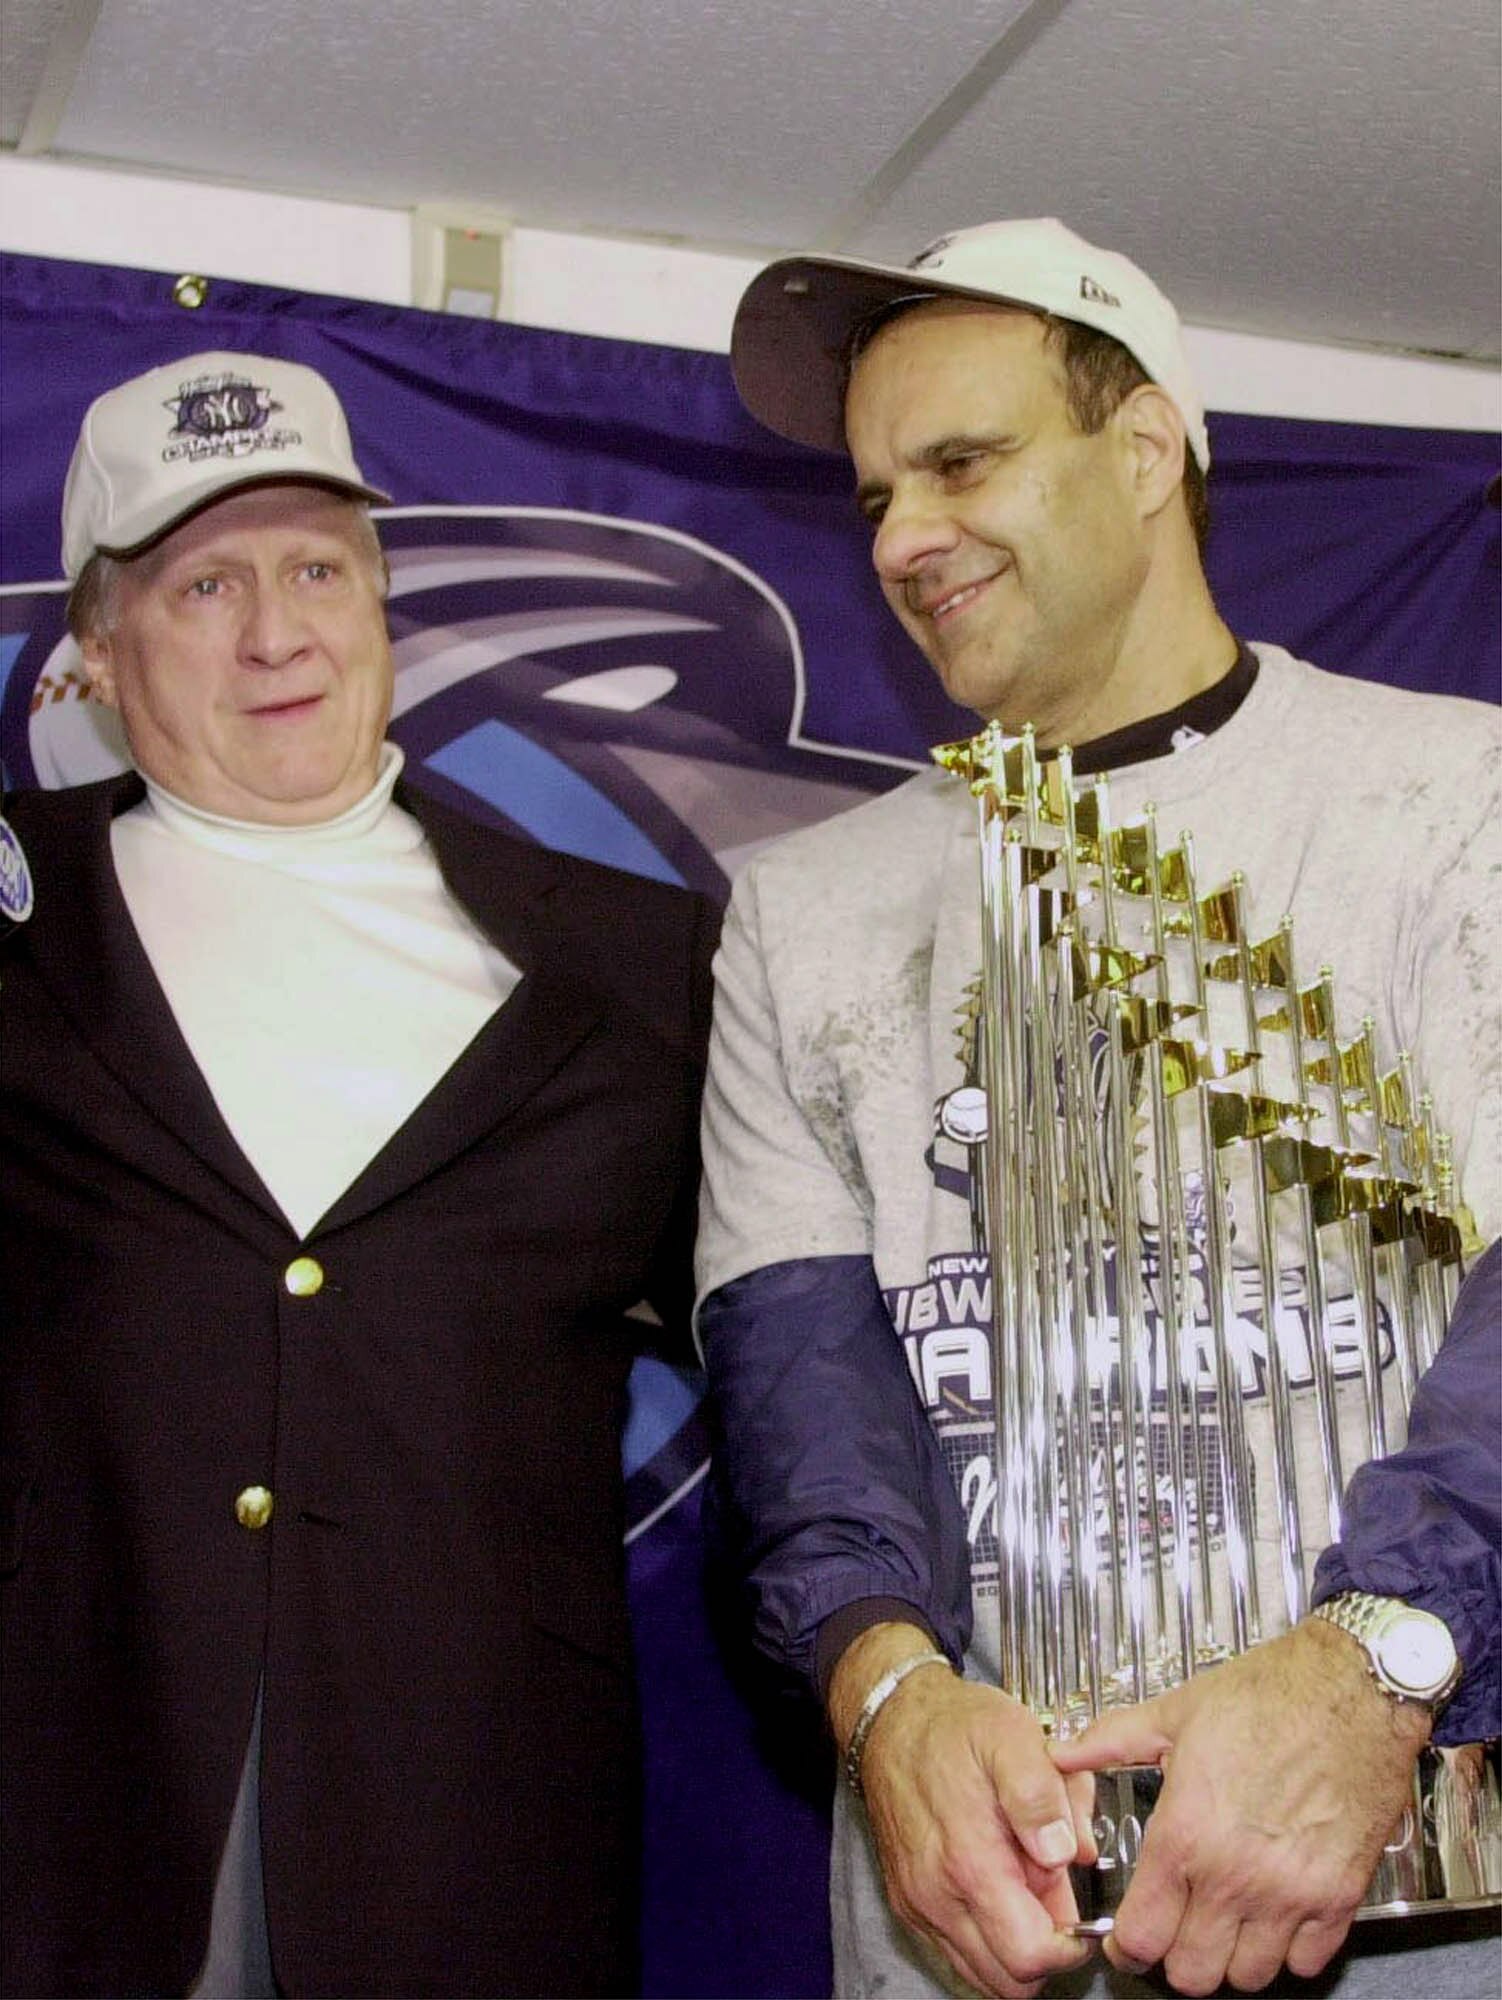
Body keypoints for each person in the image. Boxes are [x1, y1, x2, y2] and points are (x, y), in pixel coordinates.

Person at [696, 219, 1500, 1999]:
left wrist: (1376, 1657)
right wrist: (887, 1690)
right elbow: (798, 1384)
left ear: (1142, 453)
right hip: (990, 1931)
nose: (903, 537)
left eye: (959, 462)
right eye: (874, 495)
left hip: (1434, 1898)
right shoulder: (802, 909)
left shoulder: (1459, 802)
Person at [0, 352, 717, 1998]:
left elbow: (793, 1350)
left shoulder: (642, 963)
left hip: (470, 1827)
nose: (277, 632)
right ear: (98, 653)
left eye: (319, 568)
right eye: (205, 584)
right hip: (64, 1821)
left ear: (385, 603)